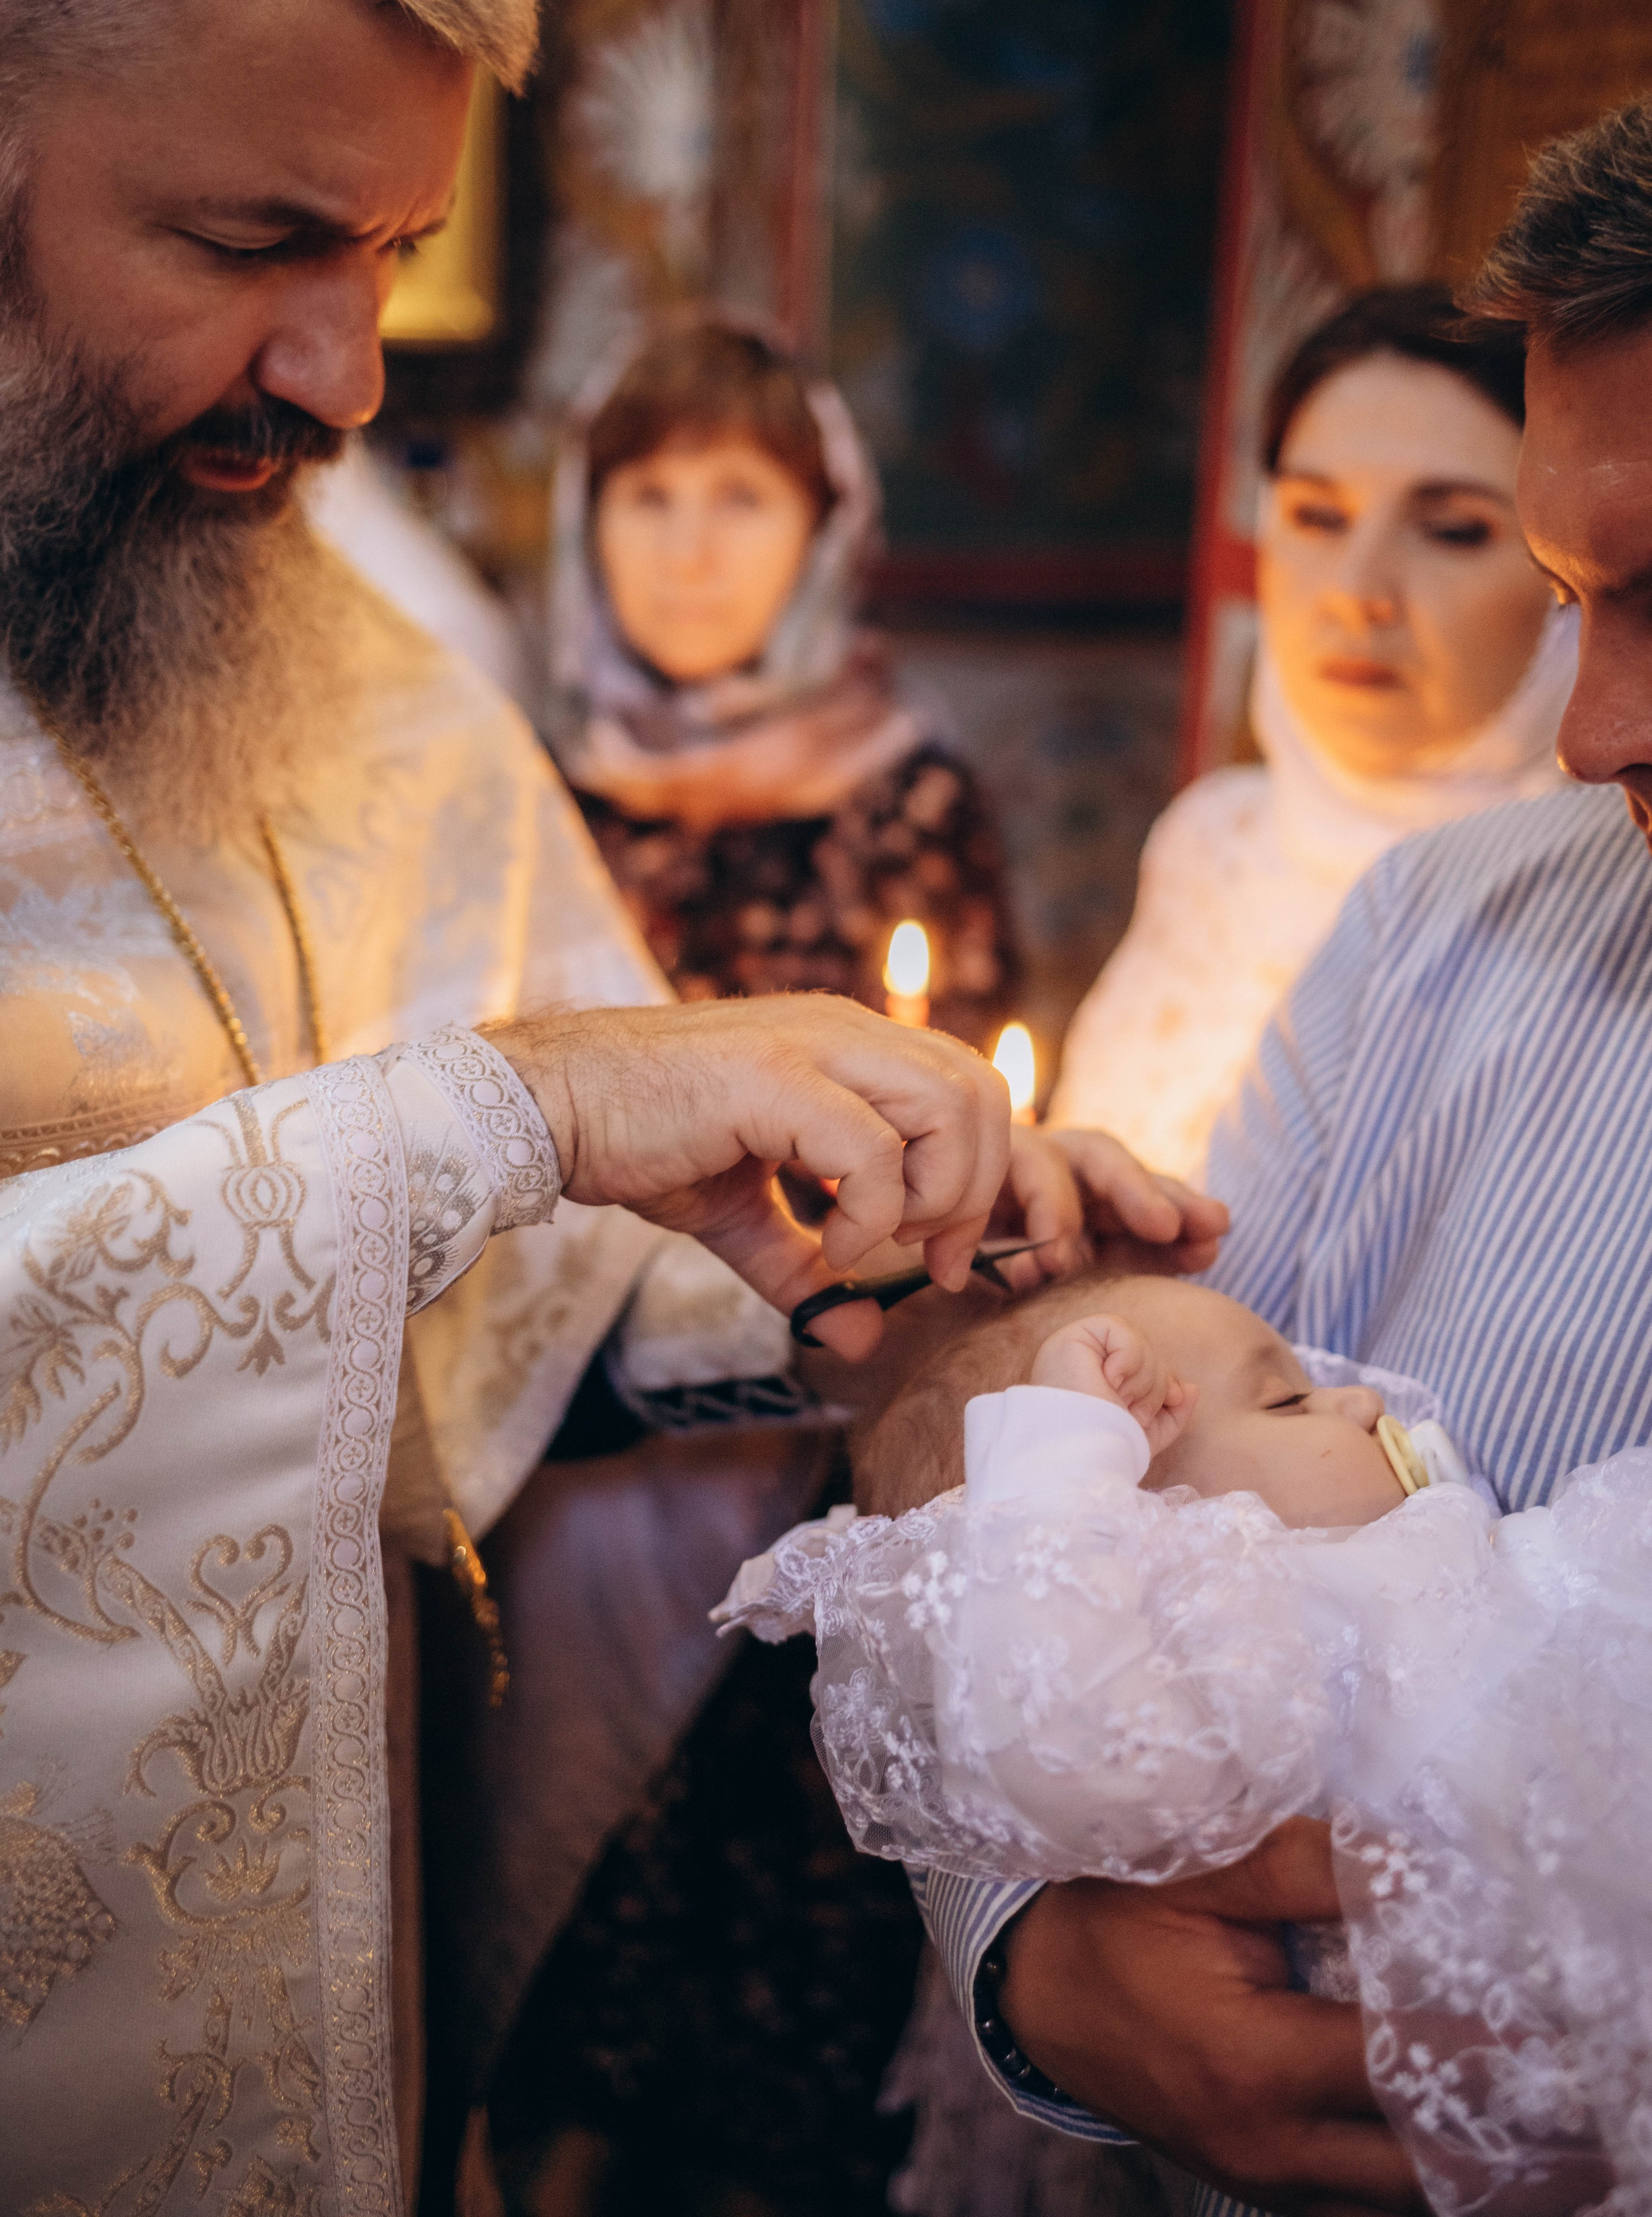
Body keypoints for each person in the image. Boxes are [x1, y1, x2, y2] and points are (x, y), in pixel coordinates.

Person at [0, 3, 1229, 2208]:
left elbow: (535, 1267)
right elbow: (491, 1125)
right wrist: (492, 1116)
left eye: (389, 248)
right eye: (250, 238)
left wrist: (879, 1243)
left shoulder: (318, 657)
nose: (350, 372)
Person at [861, 97, 1652, 2217]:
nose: (1594, 730)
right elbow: (1050, 1496)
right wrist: (1047, 1953)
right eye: (1586, 596)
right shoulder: (1432, 930)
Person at [723, 1268, 1647, 2213]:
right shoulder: (1237, 1653)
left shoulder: (1407, 1556)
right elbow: (1069, 1747)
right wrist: (1056, 1476)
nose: (1367, 1400)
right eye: (1291, 1400)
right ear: (1149, 1548)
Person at [1052, 286, 1572, 1181]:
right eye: (1317, 518)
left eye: (1453, 531)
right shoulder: (1214, 836)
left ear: (1572, 576)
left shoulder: (1592, 916)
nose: (1356, 590)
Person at [548, 317, 1018, 1047]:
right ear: (586, 525)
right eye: (648, 497)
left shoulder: (912, 807)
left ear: (826, 532)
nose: (686, 555)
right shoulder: (531, 795)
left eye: (740, 498)